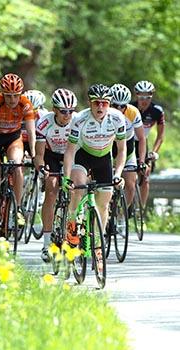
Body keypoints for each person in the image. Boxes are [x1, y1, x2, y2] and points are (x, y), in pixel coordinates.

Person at [63, 84, 126, 255]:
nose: (100, 107)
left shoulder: (117, 118)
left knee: (104, 203)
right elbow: (69, 151)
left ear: (109, 104)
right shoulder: (80, 119)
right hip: (83, 155)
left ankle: (97, 242)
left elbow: (121, 150)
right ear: (90, 103)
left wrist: (118, 174)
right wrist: (66, 178)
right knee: (77, 190)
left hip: (104, 158)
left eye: (104, 103)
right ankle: (72, 227)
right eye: (96, 103)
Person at [0, 73, 35, 234]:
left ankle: (18, 210)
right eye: (9, 96)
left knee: (18, 166)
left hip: (13, 138)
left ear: (21, 94)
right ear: (2, 94)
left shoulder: (25, 104)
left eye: (15, 96)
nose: (12, 100)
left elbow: (32, 133)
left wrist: (33, 155)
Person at [34, 88, 78, 262]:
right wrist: (42, 168)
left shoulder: (77, 121)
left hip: (72, 154)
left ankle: (75, 232)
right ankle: (46, 243)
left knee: (77, 189)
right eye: (63, 111)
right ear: (54, 109)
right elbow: (38, 155)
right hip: (51, 156)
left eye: (70, 111)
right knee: (51, 190)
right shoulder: (44, 123)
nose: (67, 115)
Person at [110, 84, 146, 208]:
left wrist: (141, 161)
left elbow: (141, 138)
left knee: (130, 186)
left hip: (127, 148)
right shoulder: (104, 111)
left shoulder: (133, 112)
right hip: (108, 148)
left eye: (122, 106)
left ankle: (121, 214)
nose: (119, 109)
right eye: (115, 105)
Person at [132, 80, 165, 208]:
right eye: (141, 97)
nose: (144, 100)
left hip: (143, 144)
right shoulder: (130, 108)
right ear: (136, 96)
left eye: (148, 97)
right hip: (129, 143)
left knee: (145, 176)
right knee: (129, 176)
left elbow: (160, 136)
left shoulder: (157, 111)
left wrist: (154, 152)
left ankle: (141, 209)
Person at [21, 89, 48, 157]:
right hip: (20, 142)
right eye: (28, 110)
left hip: (37, 141)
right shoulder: (17, 113)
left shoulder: (44, 115)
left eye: (34, 110)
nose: (31, 113)